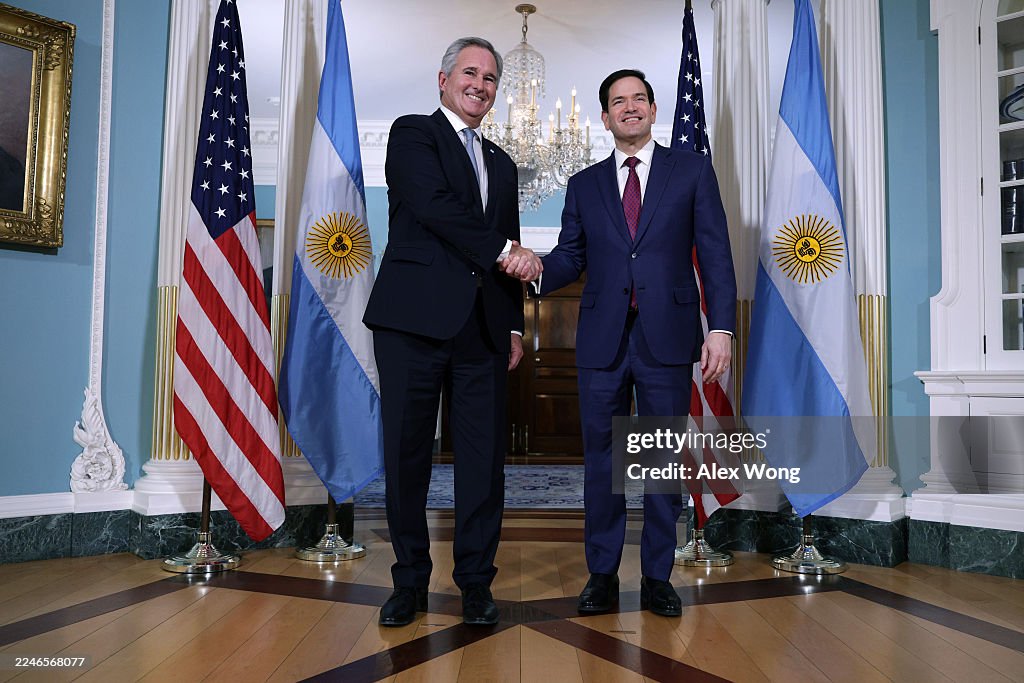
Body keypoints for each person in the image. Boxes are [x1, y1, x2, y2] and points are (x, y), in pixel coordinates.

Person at [502, 69, 735, 617]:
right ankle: (601, 575)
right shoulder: (584, 184)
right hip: (602, 342)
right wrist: (535, 268)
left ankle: (657, 576)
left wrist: (720, 327)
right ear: (604, 118)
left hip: (669, 340)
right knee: (602, 464)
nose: (629, 109)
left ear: (653, 111)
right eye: (617, 102)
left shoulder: (692, 171)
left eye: (638, 100)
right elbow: (571, 257)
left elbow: (716, 253)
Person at [363, 36, 542, 627]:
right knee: (407, 456)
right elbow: (434, 205)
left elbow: (506, 232)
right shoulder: (412, 133)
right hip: (411, 324)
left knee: (483, 464)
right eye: (471, 72)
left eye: (491, 79)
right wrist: (504, 251)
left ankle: (475, 584)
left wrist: (513, 325)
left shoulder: (504, 163)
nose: (481, 85)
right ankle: (409, 582)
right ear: (443, 80)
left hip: (484, 332)